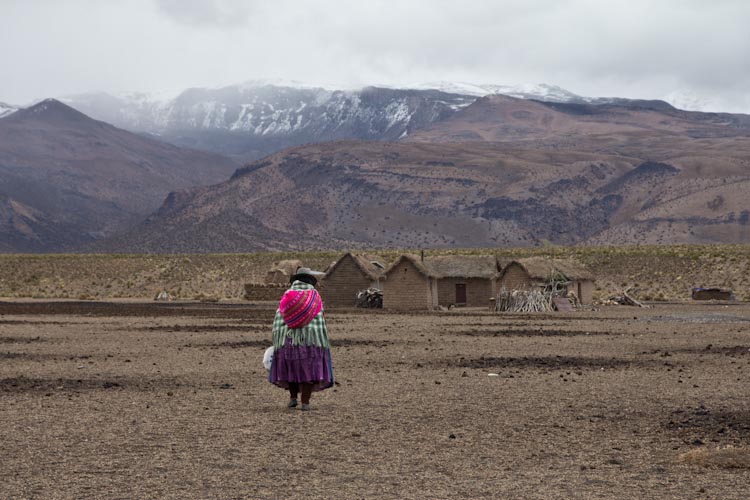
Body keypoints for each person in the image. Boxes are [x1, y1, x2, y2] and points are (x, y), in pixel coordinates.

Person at [268, 267, 334, 411]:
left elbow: (279, 318)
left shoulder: (288, 294)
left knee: (291, 368)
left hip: (288, 340)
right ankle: (305, 402)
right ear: (310, 281)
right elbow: (320, 318)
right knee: (308, 370)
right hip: (311, 341)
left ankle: (292, 399)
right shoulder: (314, 296)